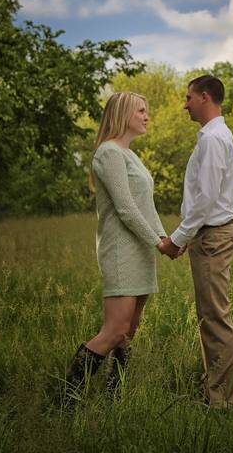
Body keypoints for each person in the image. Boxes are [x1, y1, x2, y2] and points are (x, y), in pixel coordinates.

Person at [60, 91, 171, 406]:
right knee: (114, 330)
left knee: (129, 331)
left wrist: (165, 239)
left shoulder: (131, 155)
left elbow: (145, 207)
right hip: (122, 250)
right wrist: (158, 242)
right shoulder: (108, 153)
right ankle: (64, 399)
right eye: (141, 111)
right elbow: (125, 209)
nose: (147, 116)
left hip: (141, 250)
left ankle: (113, 396)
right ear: (123, 114)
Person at [156, 75, 233, 406]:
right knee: (210, 316)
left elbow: (205, 200)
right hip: (208, 234)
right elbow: (203, 197)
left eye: (188, 97)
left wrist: (177, 239)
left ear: (205, 97)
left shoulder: (213, 139)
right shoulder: (214, 136)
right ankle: (216, 393)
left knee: (215, 318)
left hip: (212, 237)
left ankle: (223, 401)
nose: (184, 104)